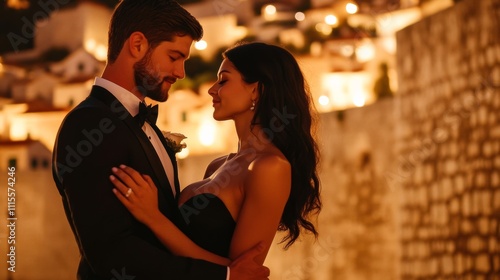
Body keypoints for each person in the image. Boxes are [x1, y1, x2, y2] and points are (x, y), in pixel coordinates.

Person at [52, 1, 268, 279]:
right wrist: (222, 276)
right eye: (174, 57)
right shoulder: (88, 125)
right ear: (138, 44)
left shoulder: (145, 127)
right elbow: (110, 253)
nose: (180, 73)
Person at [108, 42, 322, 268]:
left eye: (223, 80)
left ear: (256, 90)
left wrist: (153, 217)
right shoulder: (218, 165)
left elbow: (241, 274)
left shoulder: (270, 167)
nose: (212, 90)